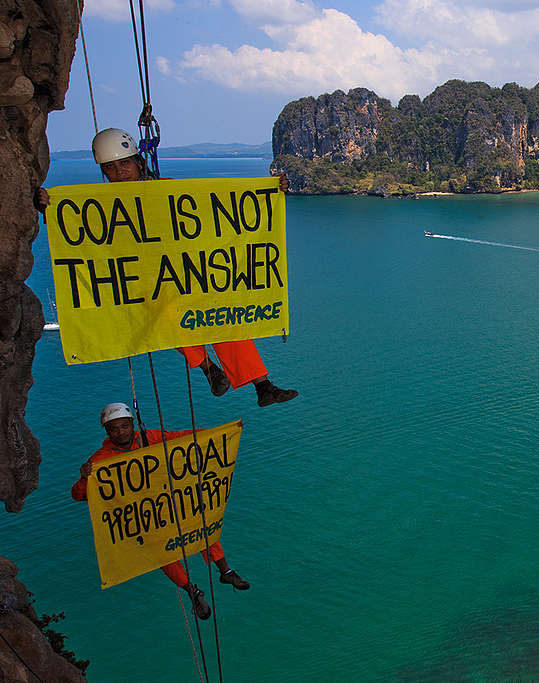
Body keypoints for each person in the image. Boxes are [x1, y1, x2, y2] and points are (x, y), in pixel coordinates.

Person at [36, 128, 298, 407]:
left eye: (124, 163)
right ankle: (209, 368)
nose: (120, 172)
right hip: (149, 284)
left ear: (138, 162)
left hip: (186, 274)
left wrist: (269, 193)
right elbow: (77, 232)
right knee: (164, 316)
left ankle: (262, 385)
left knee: (225, 319)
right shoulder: (100, 205)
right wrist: (49, 208)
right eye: (111, 167)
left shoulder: (168, 189)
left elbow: (215, 205)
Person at [71, 402, 250, 620]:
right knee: (164, 554)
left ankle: (226, 572)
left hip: (168, 503)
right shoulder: (100, 460)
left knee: (202, 528)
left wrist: (219, 433)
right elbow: (79, 495)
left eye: (124, 426)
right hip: (146, 515)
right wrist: (84, 478)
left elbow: (183, 438)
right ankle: (192, 591)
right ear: (107, 432)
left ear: (132, 425)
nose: (120, 432)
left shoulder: (148, 438)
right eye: (114, 429)